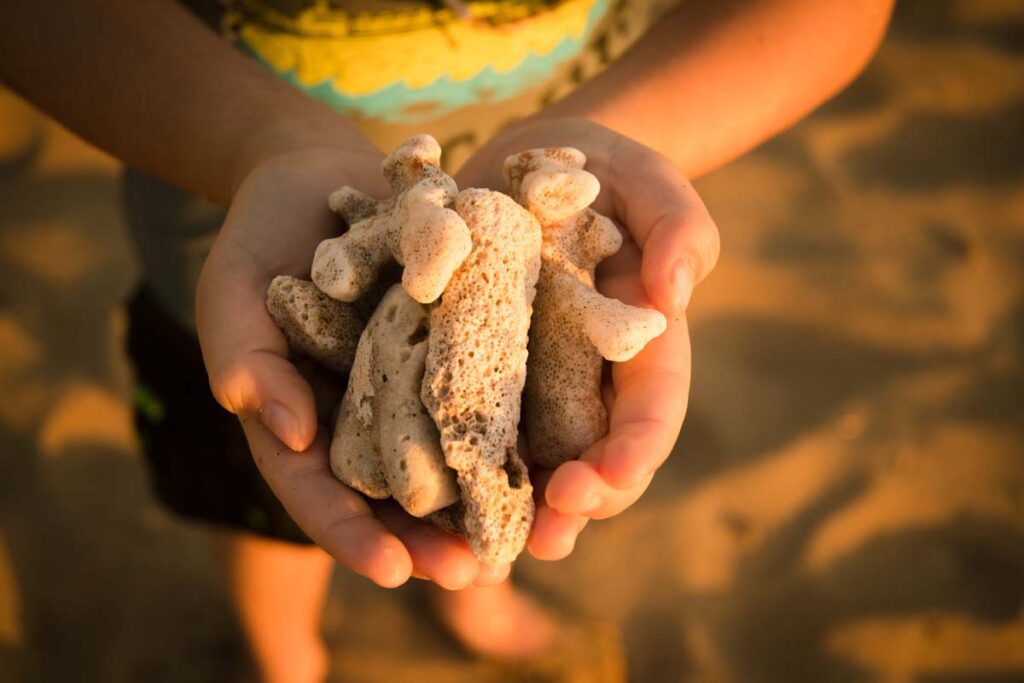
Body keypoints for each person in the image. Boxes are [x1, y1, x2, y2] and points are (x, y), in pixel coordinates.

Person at [0, 0, 893, 680]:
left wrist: (630, 141)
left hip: (554, 114)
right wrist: (256, 145)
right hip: (216, 188)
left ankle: (475, 590)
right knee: (265, 484)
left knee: (499, 476)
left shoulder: (527, 242)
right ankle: (285, 653)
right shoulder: (412, 234)